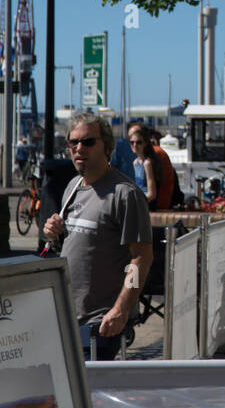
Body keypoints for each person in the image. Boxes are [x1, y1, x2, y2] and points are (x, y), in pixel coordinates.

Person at [42, 110, 152, 361]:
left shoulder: (125, 194)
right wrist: (54, 233)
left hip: (100, 325)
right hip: (68, 319)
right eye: (73, 141)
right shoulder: (74, 186)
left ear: (107, 147)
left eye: (88, 141)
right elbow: (74, 244)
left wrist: (121, 309)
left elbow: (141, 259)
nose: (79, 147)